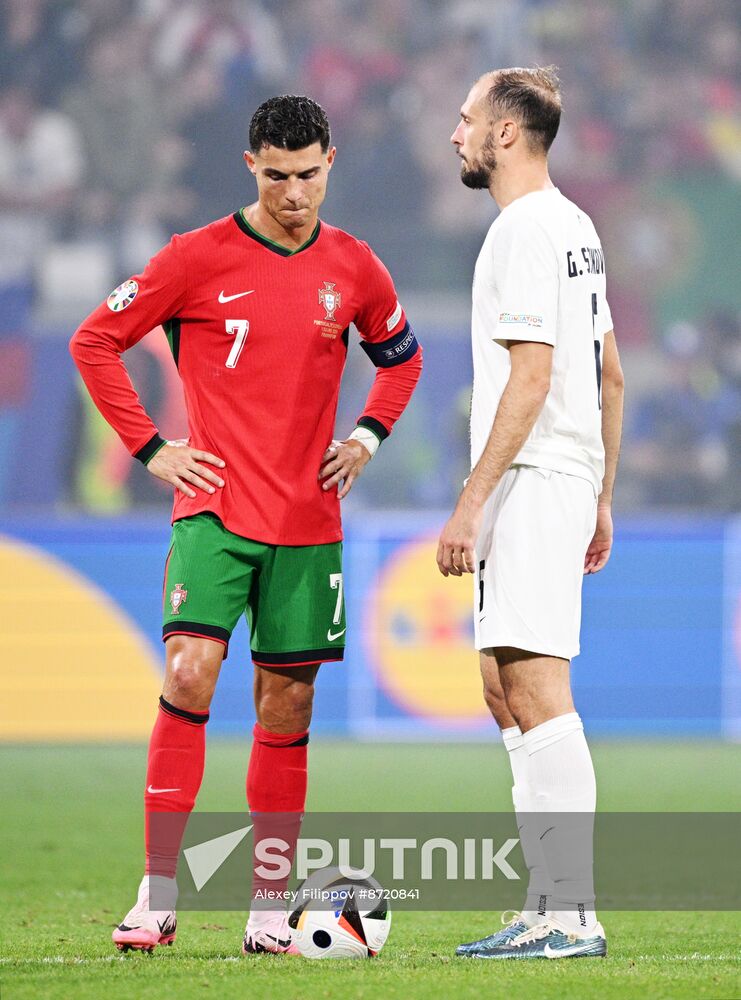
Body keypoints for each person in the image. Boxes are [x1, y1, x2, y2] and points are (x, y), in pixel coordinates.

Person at [70, 94, 422, 956]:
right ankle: (157, 896)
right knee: (189, 672)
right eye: (276, 176)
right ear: (249, 166)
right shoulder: (195, 257)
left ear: (330, 161)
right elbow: (94, 340)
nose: (293, 194)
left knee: (287, 700)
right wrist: (152, 448)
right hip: (216, 512)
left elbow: (401, 361)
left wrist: (368, 436)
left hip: (308, 521)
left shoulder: (357, 267)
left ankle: (268, 912)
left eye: (307, 176)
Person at [437, 67, 624, 960]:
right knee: (502, 689)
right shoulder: (576, 227)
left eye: (466, 119)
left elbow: (535, 376)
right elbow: (609, 373)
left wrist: (471, 503)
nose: (455, 133)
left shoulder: (520, 230)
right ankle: (545, 901)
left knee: (538, 689)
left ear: (504, 134)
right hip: (561, 476)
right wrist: (603, 496)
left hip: (532, 473)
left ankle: (571, 914)